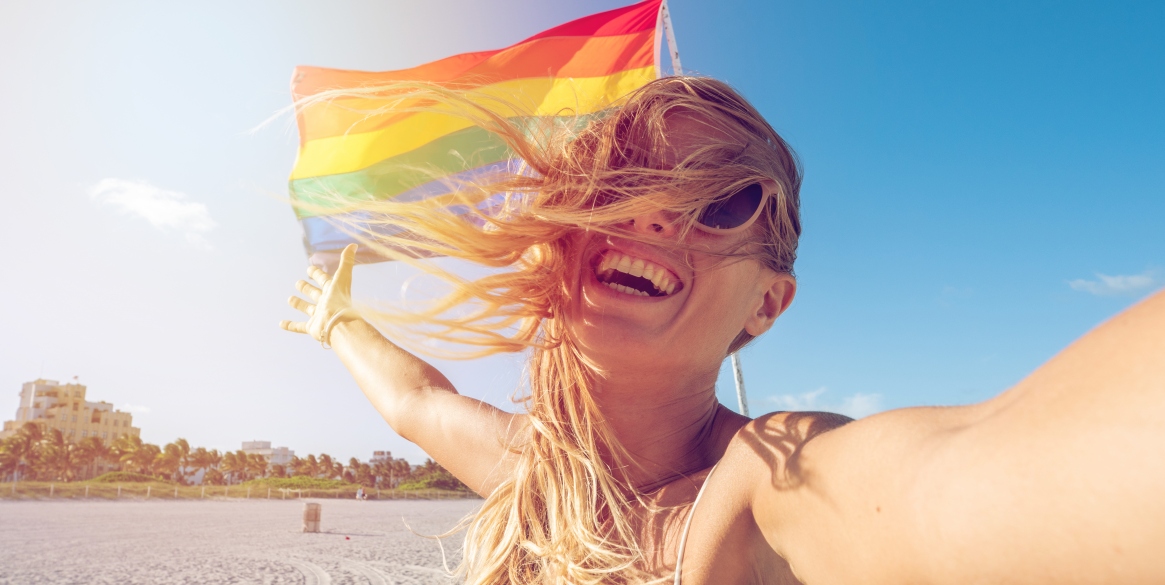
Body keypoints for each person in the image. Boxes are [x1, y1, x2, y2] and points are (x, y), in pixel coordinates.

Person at [281, 76, 1165, 584]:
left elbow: (974, 466)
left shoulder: (763, 485)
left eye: (721, 201)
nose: (659, 213)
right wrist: (335, 318)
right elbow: (414, 398)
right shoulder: (532, 472)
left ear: (766, 306)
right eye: (623, 181)